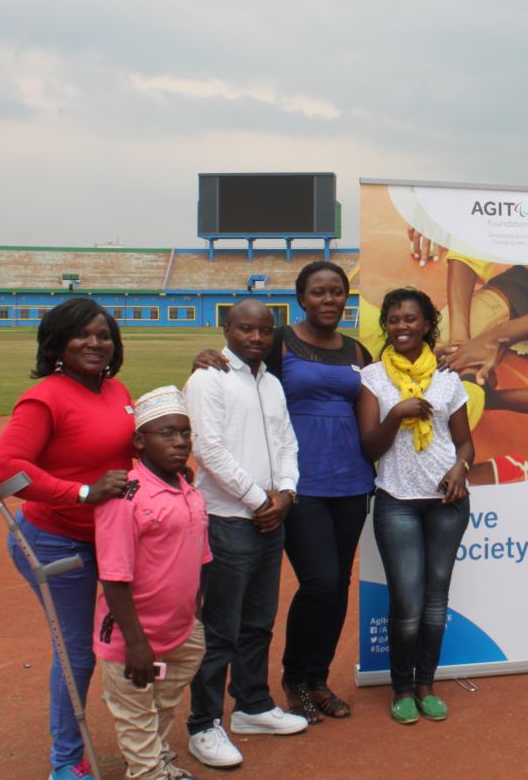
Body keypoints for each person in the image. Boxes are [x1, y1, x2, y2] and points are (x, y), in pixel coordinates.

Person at [193, 262, 374, 723]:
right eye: (318, 292)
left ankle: (318, 678)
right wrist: (204, 357)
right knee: (319, 583)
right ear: (301, 298)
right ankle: (294, 678)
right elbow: (239, 371)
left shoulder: (358, 350)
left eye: (337, 292)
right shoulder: (278, 344)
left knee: (338, 587)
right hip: (299, 487)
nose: (328, 300)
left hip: (352, 481)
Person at [0, 298, 134, 780]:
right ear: (57, 343)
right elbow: (4, 473)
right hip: (56, 544)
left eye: (103, 335)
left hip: (111, 538)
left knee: (133, 636)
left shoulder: (117, 391)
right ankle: (66, 762)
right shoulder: (45, 397)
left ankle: (141, 738)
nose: (95, 343)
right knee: (76, 652)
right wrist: (83, 492)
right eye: (82, 335)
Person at [184, 299, 306, 770]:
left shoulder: (272, 383)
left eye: (264, 331)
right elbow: (207, 448)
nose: (255, 338)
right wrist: (260, 500)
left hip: (270, 517)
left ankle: (252, 705)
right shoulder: (207, 379)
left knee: (258, 622)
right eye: (245, 329)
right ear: (226, 328)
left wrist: (288, 493)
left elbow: (287, 441)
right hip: (228, 519)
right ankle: (203, 724)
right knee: (220, 630)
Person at [356, 287, 475, 724]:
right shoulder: (372, 377)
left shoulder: (447, 378)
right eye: (394, 320)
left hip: (447, 501)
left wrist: (462, 467)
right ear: (386, 326)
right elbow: (369, 445)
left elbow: (463, 440)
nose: (401, 326)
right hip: (397, 502)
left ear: (427, 324)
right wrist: (397, 414)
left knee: (435, 600)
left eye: (410, 319)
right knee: (406, 603)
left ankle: (427, 683)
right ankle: (401, 688)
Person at [94, 386, 208, 780]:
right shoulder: (126, 496)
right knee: (137, 713)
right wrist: (137, 644)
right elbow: (113, 576)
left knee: (162, 704)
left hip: (180, 631)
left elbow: (199, 558)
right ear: (140, 440)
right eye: (167, 433)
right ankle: (147, 771)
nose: (180, 443)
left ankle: (154, 759)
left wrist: (195, 613)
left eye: (185, 433)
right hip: (135, 637)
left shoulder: (188, 490)